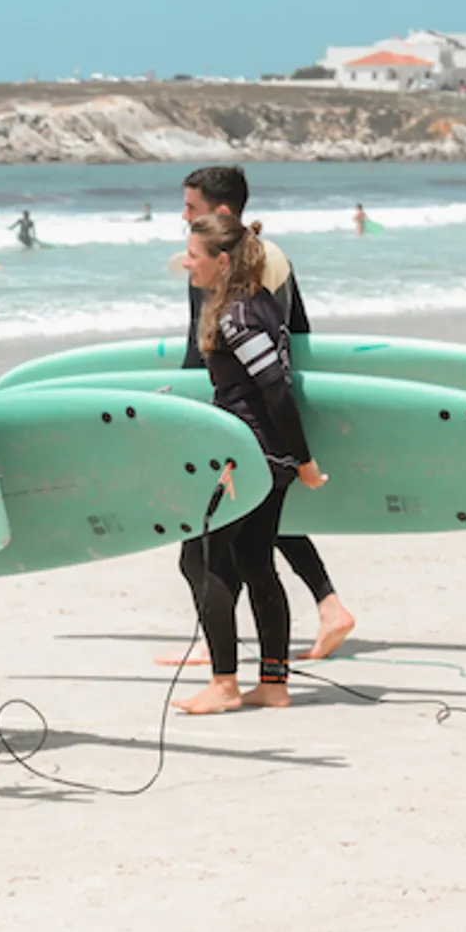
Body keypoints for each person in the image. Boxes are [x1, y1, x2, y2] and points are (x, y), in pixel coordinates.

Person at [177, 165, 354, 660]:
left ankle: (232, 653)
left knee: (223, 547)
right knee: (254, 545)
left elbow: (235, 343)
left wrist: (196, 405)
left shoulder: (250, 267)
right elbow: (295, 331)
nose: (184, 215)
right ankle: (236, 646)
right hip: (259, 419)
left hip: (250, 419)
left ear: (222, 213)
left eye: (191, 207)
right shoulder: (232, 257)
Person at [171, 213, 328, 715]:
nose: (185, 263)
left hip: (249, 455)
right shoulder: (254, 305)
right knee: (257, 562)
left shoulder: (236, 315)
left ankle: (223, 684)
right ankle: (274, 684)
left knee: (203, 560)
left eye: (193, 255)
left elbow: (275, 390)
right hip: (266, 453)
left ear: (221, 262)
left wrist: (303, 460)